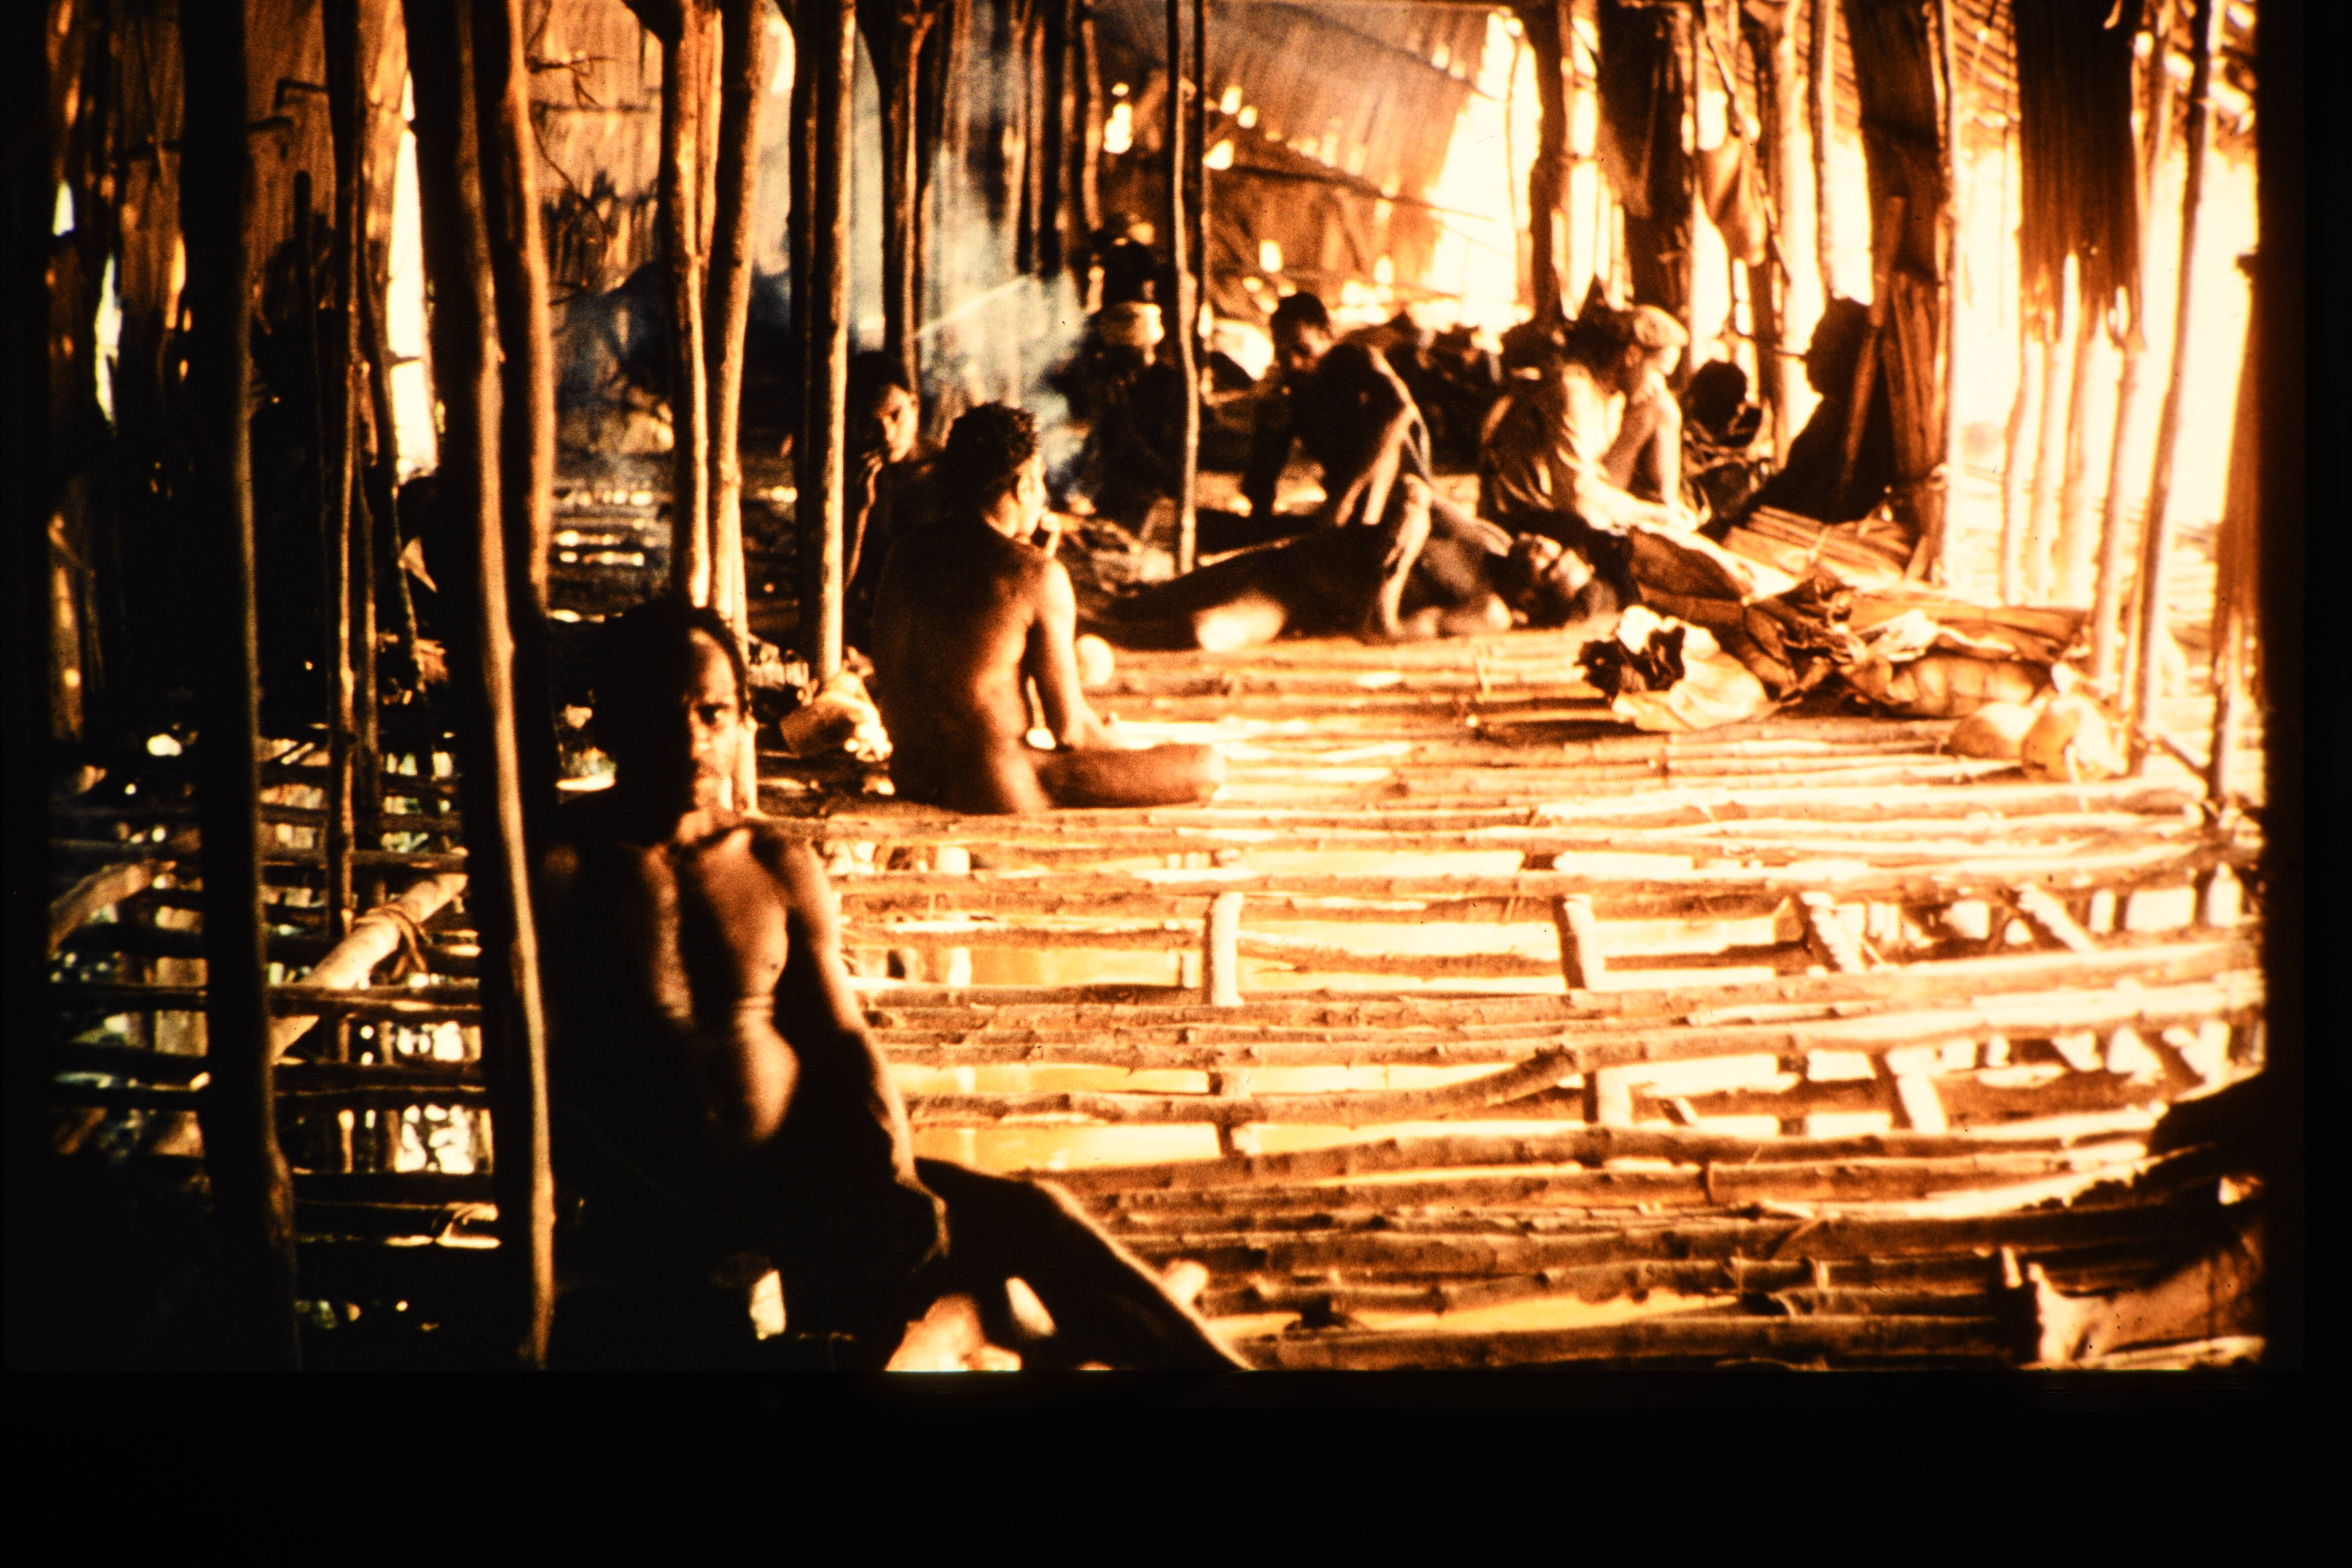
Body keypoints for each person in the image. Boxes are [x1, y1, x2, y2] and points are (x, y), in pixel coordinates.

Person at [542, 597, 1244, 1368]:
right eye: (662, 712)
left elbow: (841, 1038)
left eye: (713, 713)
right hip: (657, 1207)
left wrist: (894, 1172)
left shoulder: (773, 861)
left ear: (744, 720)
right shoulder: (564, 868)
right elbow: (543, 1083)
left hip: (804, 1178)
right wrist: (668, 1220)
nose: (692, 739)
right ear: (611, 722)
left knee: (1037, 1216)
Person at [868, 404, 1226, 814]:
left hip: (911, 776)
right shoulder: (1036, 574)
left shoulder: (906, 553)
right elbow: (1070, 731)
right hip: (997, 786)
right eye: (1040, 479)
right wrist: (1117, 748)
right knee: (1205, 765)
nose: (1043, 494)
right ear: (1022, 486)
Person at [1085, 474, 1623, 652]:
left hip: (1298, 598)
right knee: (1139, 604)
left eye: (1548, 569)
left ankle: (1102, 638)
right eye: (1556, 550)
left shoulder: (1489, 610)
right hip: (1289, 558)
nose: (1542, 550)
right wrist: (1413, 511)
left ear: (1533, 600)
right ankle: (1093, 623)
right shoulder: (1492, 540)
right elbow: (1418, 487)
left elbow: (1382, 632)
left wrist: (1399, 562)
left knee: (1204, 633)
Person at [1719, 295, 1894, 534]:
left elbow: (1793, 493)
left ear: (1847, 357)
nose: (1807, 358)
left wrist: (1735, 524)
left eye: (1819, 348)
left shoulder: (1861, 425)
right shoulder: (1836, 412)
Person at [841, 352, 939, 656]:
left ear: (915, 406)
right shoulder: (853, 476)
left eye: (895, 415)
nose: (886, 434)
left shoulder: (947, 471)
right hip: (870, 633)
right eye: (871, 423)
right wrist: (859, 511)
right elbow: (837, 587)